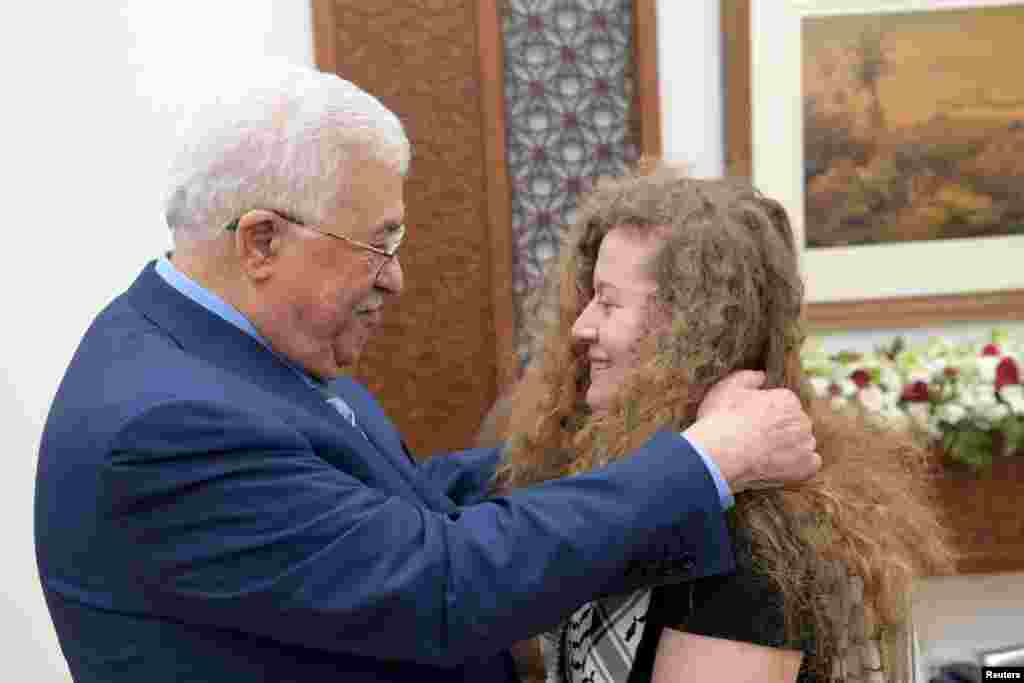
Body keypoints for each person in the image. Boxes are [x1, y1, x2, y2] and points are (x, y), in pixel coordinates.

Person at [34, 62, 818, 683]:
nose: (397, 279)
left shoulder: (224, 350)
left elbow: (410, 504)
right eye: (377, 244)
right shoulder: (170, 425)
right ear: (262, 242)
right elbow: (440, 578)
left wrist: (603, 453)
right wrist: (704, 462)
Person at [490, 165, 954, 683]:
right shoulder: (623, 478)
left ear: (687, 332)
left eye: (608, 301)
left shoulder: (752, 537)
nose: (582, 326)